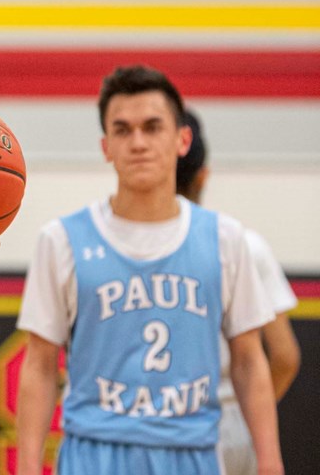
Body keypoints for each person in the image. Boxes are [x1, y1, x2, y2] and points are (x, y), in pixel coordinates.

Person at [15, 65, 284, 475]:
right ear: (106, 147)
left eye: (152, 127)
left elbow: (249, 361)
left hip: (192, 451)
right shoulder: (62, 239)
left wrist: (269, 462)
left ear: (182, 139)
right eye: (122, 130)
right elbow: (39, 364)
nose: (137, 142)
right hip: (94, 452)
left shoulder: (226, 239)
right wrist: (29, 467)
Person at [177, 108, 300, 475]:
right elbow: (285, 356)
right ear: (204, 175)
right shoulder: (245, 244)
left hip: (150, 424)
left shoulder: (117, 249)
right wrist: (248, 415)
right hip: (229, 421)